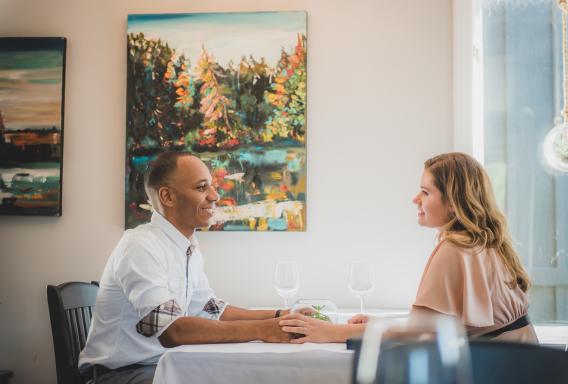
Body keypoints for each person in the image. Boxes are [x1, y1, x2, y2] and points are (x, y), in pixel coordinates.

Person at [279, 152, 538, 344]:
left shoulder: (454, 249)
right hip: (521, 367)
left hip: (498, 372)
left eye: (426, 192)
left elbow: (419, 334)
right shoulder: (487, 243)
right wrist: (382, 324)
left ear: (453, 203)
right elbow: (435, 325)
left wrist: (330, 332)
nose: (415, 199)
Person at [79, 151, 291, 384]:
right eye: (202, 188)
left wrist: (280, 316)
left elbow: (212, 310)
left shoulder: (188, 247)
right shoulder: (140, 246)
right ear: (168, 196)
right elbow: (173, 331)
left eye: (211, 186)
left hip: (160, 365)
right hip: (122, 374)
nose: (215, 195)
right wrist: (262, 330)